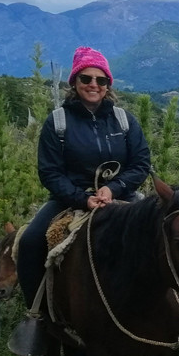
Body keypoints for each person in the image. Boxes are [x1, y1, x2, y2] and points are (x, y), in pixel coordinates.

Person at [15, 46, 152, 315]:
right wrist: (82, 198)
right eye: (86, 78)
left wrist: (113, 189)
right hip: (69, 199)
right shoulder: (58, 122)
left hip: (119, 196)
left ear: (107, 85)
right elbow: (50, 172)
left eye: (100, 80)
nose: (93, 85)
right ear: (74, 82)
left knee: (160, 235)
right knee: (31, 242)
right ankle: (36, 317)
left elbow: (141, 164)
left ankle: (165, 315)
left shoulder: (124, 121)